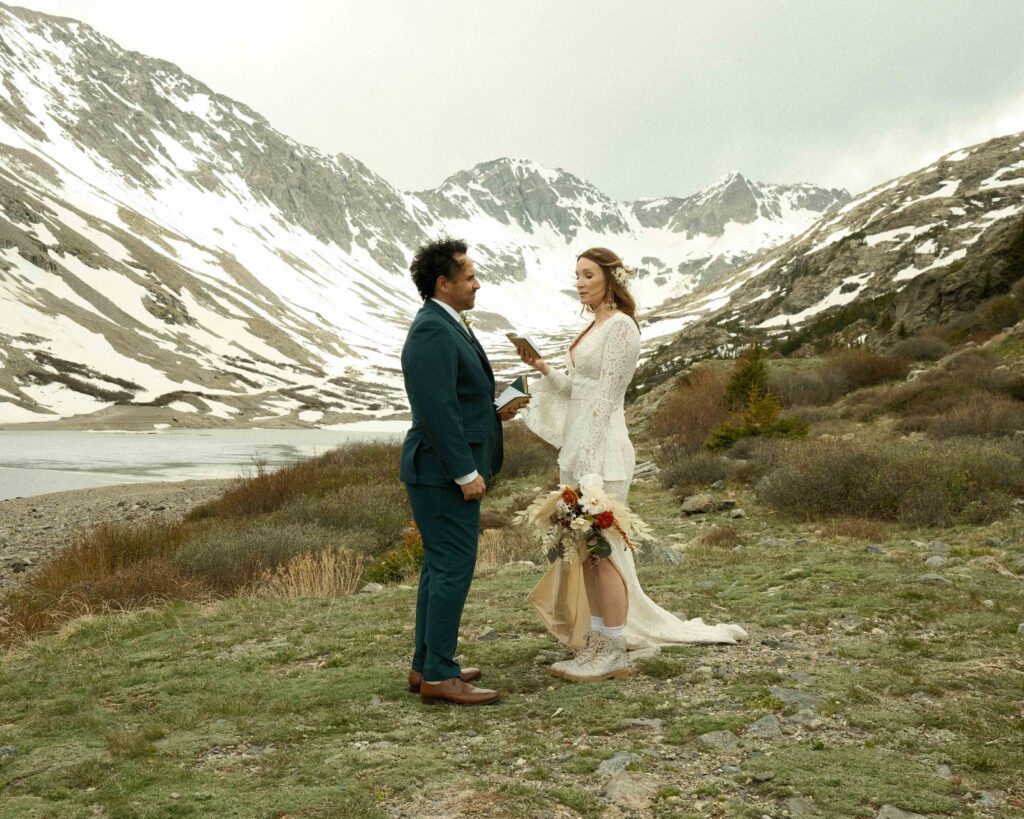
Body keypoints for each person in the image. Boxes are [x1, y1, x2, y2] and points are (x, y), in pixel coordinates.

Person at [518, 247, 748, 683]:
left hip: (601, 450)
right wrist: (543, 367)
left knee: (604, 549)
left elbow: (605, 400)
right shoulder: (592, 327)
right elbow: (578, 389)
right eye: (577, 275)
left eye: (588, 275)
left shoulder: (621, 328)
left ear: (611, 279)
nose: (580, 282)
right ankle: (598, 643)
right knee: (584, 550)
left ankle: (614, 651)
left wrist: (589, 466)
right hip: (579, 445)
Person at [400, 237, 519, 706]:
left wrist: (494, 409)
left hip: (441, 470)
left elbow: (458, 399)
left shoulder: (449, 323)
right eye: (468, 276)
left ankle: (425, 665)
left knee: (438, 568)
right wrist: (465, 472)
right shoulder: (432, 329)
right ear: (443, 283)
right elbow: (436, 409)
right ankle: (440, 676)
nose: (477, 284)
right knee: (453, 568)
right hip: (440, 473)